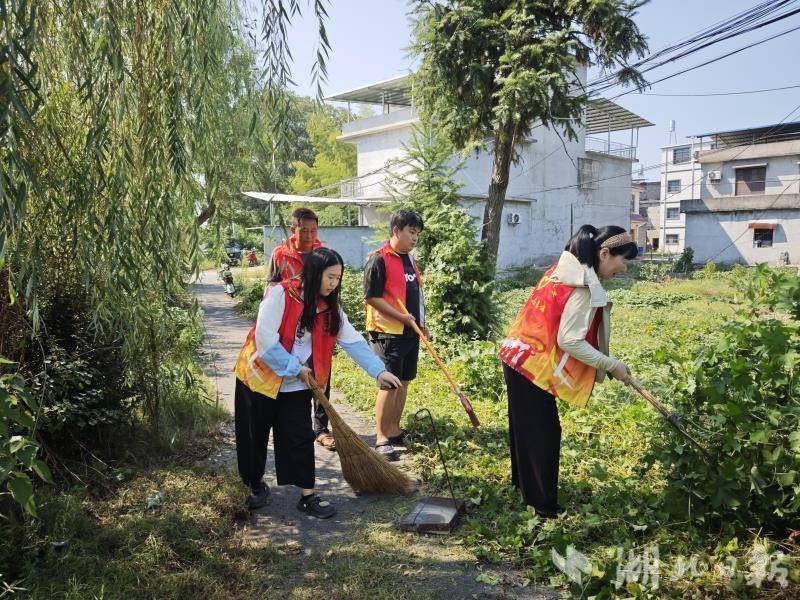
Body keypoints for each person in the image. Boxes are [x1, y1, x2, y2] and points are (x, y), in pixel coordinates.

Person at [233, 247, 401, 517]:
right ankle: (254, 485)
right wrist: (293, 367)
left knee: (300, 437)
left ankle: (307, 496)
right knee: (254, 435)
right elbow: (265, 340)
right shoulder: (281, 294)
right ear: (314, 272)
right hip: (258, 379)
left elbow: (353, 341)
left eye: (338, 278)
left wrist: (378, 371)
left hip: (297, 383)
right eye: (330, 277)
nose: (334, 283)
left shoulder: (330, 309)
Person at [497, 225, 638, 519]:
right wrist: (611, 364)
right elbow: (569, 341)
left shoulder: (562, 269)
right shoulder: (582, 285)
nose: (623, 268)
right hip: (533, 364)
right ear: (604, 253)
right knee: (543, 434)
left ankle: (525, 488)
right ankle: (542, 507)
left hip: (516, 353)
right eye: (622, 259)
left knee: (526, 428)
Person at [267, 208, 336, 452]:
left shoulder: (323, 253)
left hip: (319, 325)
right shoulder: (281, 254)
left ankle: (321, 429)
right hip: (290, 328)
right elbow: (271, 286)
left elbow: (332, 286)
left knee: (322, 374)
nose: (308, 235)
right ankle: (295, 425)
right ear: (293, 229)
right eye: (303, 230)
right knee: (294, 375)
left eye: (313, 230)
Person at [363, 210, 427, 461]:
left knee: (404, 382)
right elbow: (372, 297)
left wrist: (422, 323)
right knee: (389, 384)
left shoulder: (410, 260)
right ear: (396, 231)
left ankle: (394, 429)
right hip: (387, 333)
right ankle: (381, 437)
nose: (415, 238)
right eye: (411, 232)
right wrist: (400, 317)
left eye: (417, 233)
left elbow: (416, 295)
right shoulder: (378, 259)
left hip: (410, 331)